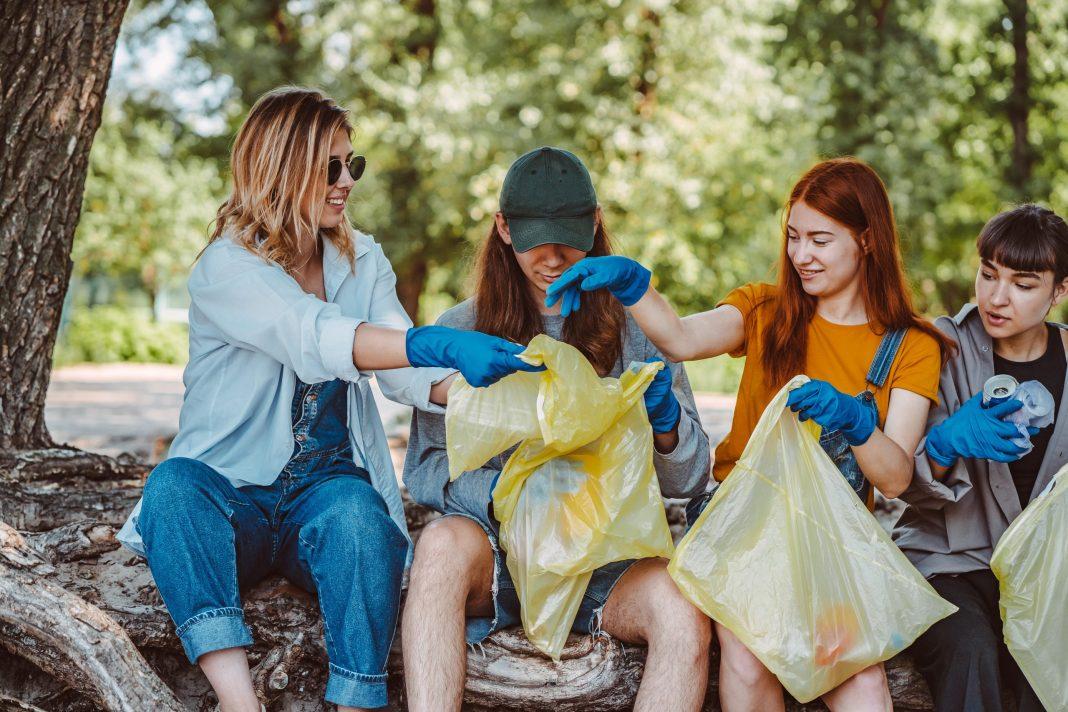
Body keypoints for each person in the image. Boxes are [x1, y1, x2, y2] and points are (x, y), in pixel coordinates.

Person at [115, 87, 540, 712]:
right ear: (280, 173)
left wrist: (501, 387)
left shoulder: (361, 258)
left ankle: (356, 702)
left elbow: (406, 378)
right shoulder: (225, 268)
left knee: (362, 517)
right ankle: (240, 701)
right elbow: (314, 337)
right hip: (232, 492)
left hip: (325, 486)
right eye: (330, 168)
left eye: (352, 165)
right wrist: (434, 342)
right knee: (172, 489)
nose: (347, 182)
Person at [546, 157, 954, 711]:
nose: (800, 255)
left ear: (867, 241)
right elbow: (682, 339)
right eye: (793, 237)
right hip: (741, 528)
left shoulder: (910, 346)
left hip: (832, 544)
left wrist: (857, 422)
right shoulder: (764, 309)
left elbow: (896, 476)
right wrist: (633, 285)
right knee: (746, 651)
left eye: (820, 240)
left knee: (859, 679)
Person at [400, 147, 713, 712]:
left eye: (569, 236)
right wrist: (515, 501)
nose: (552, 256)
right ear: (502, 228)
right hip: (493, 551)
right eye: (534, 238)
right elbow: (423, 468)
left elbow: (690, 480)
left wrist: (666, 426)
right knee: (440, 546)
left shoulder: (637, 329)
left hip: (601, 563)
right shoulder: (462, 329)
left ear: (595, 223)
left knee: (680, 606)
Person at [893, 204, 1067, 712]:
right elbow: (898, 480)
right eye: (988, 275)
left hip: (1046, 571)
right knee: (970, 649)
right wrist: (944, 444)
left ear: (1058, 291)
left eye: (1023, 283)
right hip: (948, 562)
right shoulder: (938, 347)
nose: (995, 296)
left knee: (1051, 657)